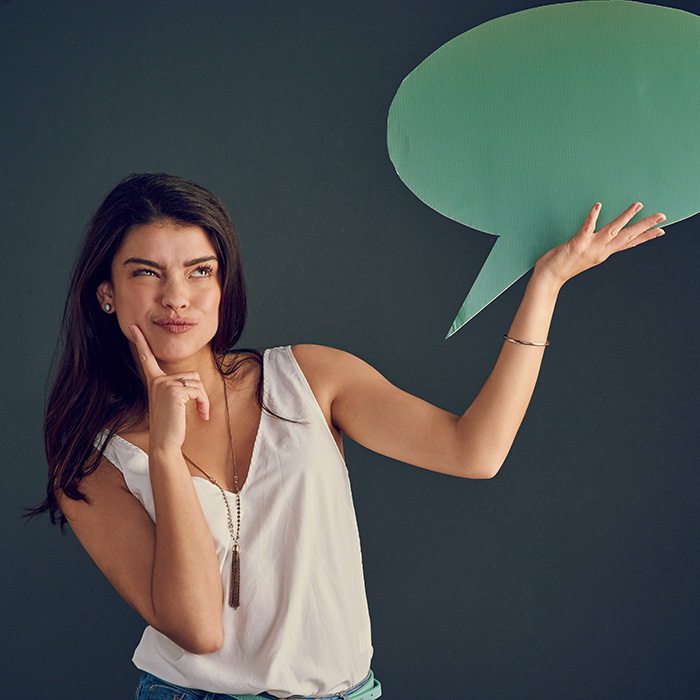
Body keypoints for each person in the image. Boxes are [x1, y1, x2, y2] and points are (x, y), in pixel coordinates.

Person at [33, 173, 666, 700]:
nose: (178, 297)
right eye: (147, 273)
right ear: (108, 295)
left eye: (200, 271)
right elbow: (197, 631)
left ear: (224, 285)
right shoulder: (91, 464)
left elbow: (475, 452)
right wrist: (166, 455)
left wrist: (545, 285)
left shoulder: (309, 376)